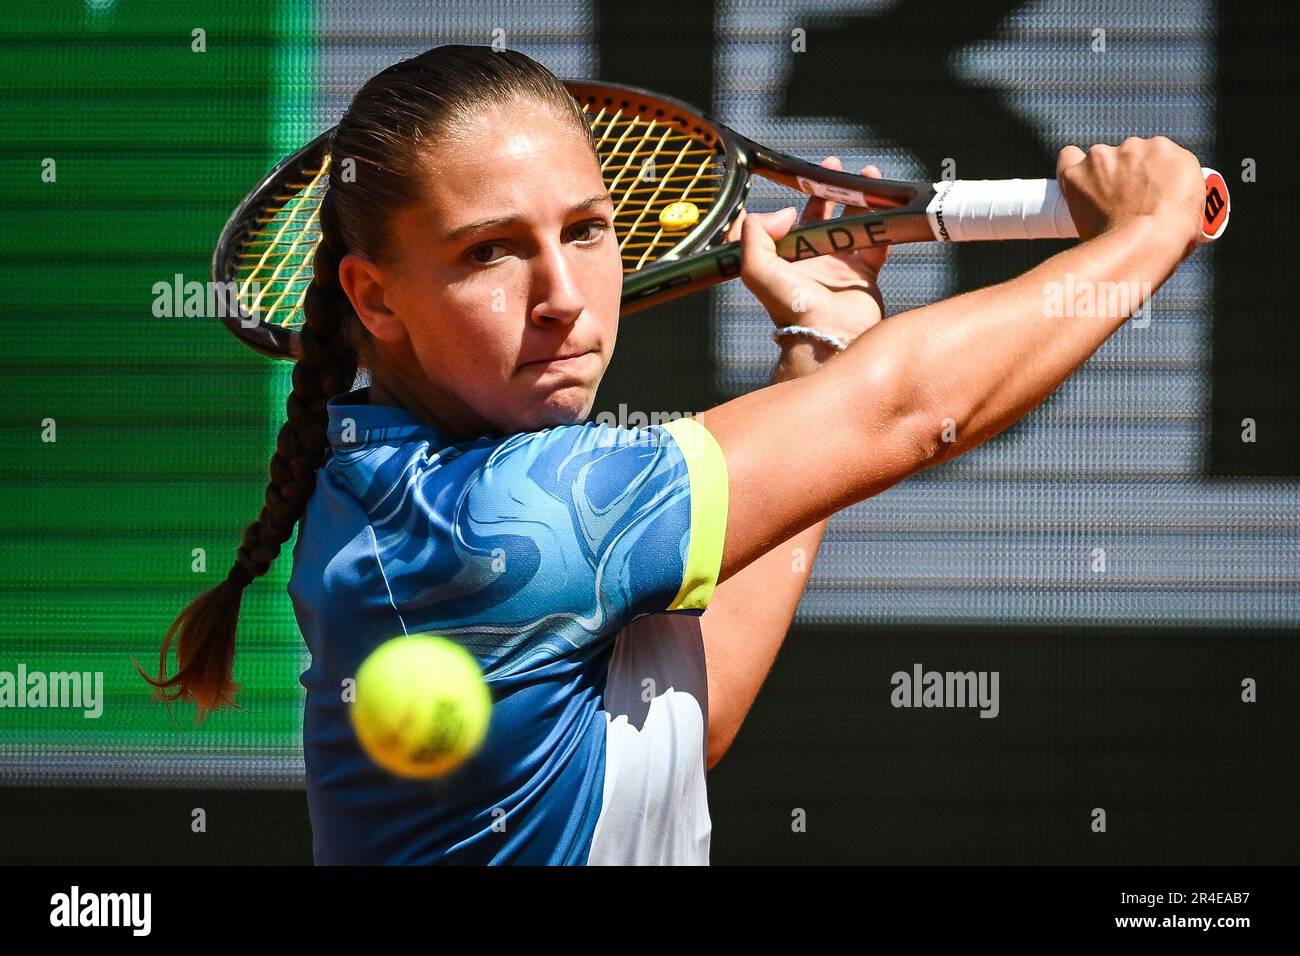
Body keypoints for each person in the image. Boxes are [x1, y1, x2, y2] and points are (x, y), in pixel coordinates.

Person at [142, 44, 1209, 864]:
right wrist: (1140, 239)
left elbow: (679, 730)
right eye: (490, 251)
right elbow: (907, 411)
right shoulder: (495, 522)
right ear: (373, 295)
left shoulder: (417, 484)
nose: (563, 297)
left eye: (588, 230)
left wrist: (820, 348)